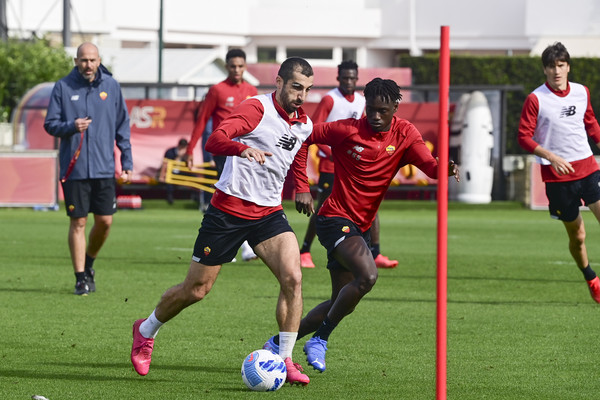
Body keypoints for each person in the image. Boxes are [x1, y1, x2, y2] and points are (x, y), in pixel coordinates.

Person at [130, 57, 315, 386]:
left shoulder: (304, 124)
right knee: (196, 290)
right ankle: (145, 331)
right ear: (280, 82)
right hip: (228, 210)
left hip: (269, 213)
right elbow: (215, 139)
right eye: (297, 87)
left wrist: (301, 186)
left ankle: (285, 358)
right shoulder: (256, 109)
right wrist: (242, 149)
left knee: (293, 277)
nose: (301, 96)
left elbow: (298, 151)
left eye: (307, 90)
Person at [263, 78, 459, 372]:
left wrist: (444, 167)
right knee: (368, 277)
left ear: (395, 107)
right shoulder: (347, 129)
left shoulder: (405, 133)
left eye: (383, 111)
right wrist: (301, 185)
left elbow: (429, 166)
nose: (376, 117)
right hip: (334, 219)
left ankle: (278, 344)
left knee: (339, 301)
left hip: (360, 227)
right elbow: (304, 136)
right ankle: (320, 340)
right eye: (371, 109)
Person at [44, 42, 133, 296]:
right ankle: (80, 278)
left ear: (99, 60)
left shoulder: (111, 86)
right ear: (76, 61)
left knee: (105, 222)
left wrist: (126, 163)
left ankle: (89, 262)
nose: (88, 65)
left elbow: (122, 128)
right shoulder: (63, 87)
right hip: (75, 168)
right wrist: (72, 126)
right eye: (83, 60)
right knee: (79, 221)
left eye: (92, 60)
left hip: (105, 168)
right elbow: (50, 124)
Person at [517, 42, 600, 303]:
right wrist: (551, 157)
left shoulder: (581, 92)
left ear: (568, 67)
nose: (557, 71)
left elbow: (591, 125)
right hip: (558, 180)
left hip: (588, 169)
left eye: (561, 65)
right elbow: (523, 137)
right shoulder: (536, 99)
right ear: (545, 69)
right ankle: (591, 278)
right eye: (551, 66)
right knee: (578, 236)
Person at [299, 60, 398, 269]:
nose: (349, 81)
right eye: (345, 78)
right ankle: (305, 251)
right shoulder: (330, 100)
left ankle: (375, 252)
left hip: (354, 166)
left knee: (371, 204)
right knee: (324, 208)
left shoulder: (363, 102)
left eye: (353, 78)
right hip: (331, 166)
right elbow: (313, 130)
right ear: (338, 78)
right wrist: (332, 154)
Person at [187, 48, 258, 261]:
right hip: (225, 150)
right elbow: (202, 120)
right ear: (227, 67)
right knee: (229, 195)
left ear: (245, 67)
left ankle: (240, 247)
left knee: (245, 194)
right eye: (233, 66)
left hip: (247, 151)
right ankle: (232, 246)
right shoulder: (217, 90)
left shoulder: (252, 91)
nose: (236, 70)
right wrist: (191, 149)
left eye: (240, 66)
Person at [162, 138, 188, 205]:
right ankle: (170, 198)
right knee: (169, 180)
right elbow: (165, 164)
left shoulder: (187, 153)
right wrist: (178, 156)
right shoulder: (170, 152)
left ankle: (197, 197)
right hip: (171, 172)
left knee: (195, 177)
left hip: (182, 172)